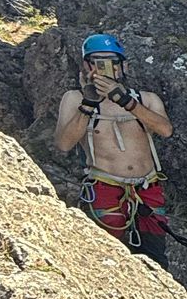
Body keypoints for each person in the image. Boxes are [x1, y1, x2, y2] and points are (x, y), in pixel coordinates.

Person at [55, 33, 175, 268]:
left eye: (111, 62)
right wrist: (88, 104)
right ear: (86, 66)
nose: (105, 68)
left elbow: (165, 129)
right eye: (96, 62)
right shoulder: (74, 99)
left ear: (123, 66)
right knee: (110, 260)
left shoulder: (146, 99)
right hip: (104, 187)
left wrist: (124, 101)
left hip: (146, 189)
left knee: (155, 259)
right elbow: (64, 143)